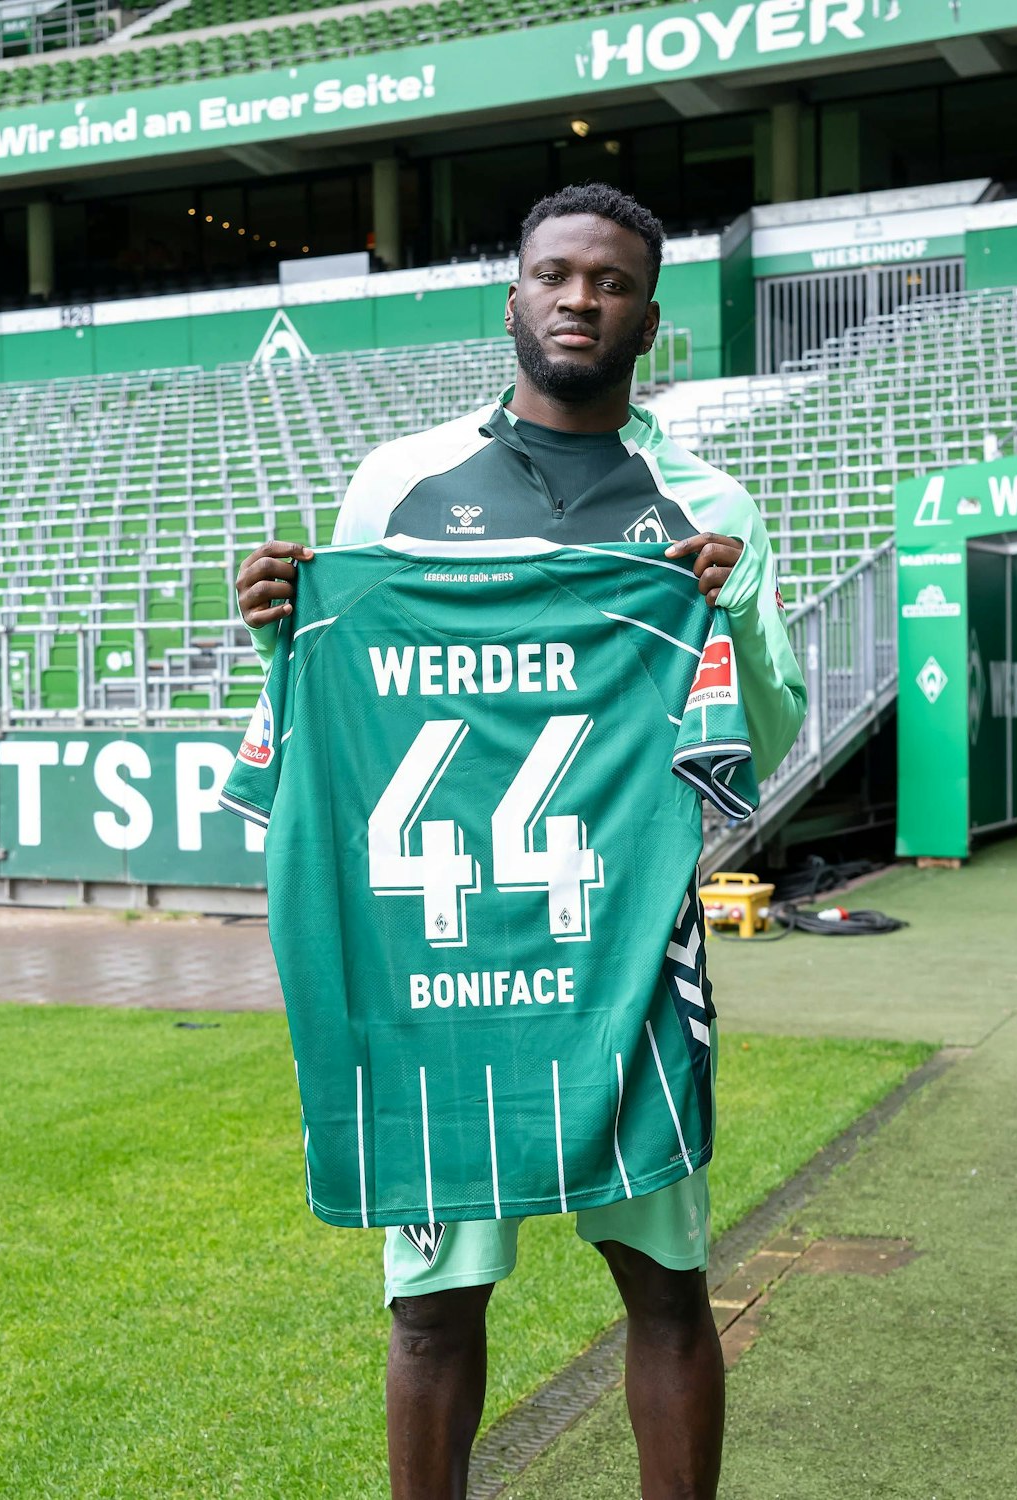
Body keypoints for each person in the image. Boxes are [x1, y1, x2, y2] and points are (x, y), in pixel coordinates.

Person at [232, 183, 805, 1500]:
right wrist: (283, 633)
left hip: (621, 956)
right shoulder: (398, 486)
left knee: (665, 1288)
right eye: (556, 274)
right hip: (436, 967)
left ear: (651, 320)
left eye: (609, 282)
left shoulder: (705, 505)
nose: (579, 299)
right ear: (514, 296)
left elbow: (753, 742)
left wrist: (739, 616)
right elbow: (343, 711)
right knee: (430, 1314)